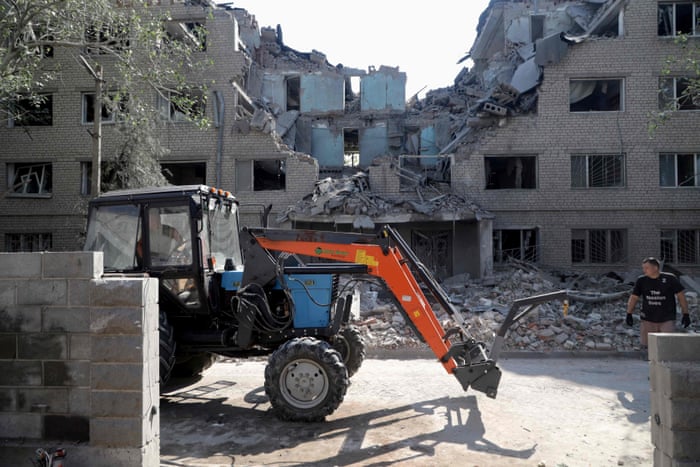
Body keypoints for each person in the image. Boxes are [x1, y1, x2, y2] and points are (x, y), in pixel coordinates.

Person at [626, 257, 691, 349]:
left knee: (667, 346)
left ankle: (666, 362)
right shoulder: (641, 280)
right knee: (647, 346)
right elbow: (634, 297)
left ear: (655, 268)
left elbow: (681, 296)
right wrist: (629, 313)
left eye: (647, 268)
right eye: (643, 268)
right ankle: (649, 361)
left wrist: (686, 314)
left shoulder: (670, 278)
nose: (644, 270)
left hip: (667, 318)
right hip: (647, 318)